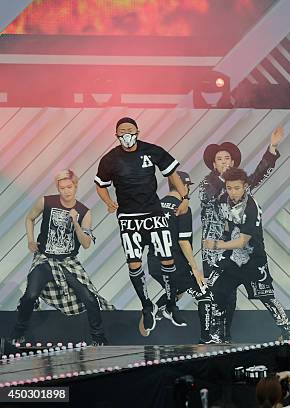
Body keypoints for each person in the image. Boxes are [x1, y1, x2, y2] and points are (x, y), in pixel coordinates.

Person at [95, 117, 190, 334]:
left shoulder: (152, 151)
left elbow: (172, 173)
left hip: (154, 214)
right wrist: (109, 201)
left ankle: (170, 305)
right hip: (129, 218)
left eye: (129, 129)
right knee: (135, 264)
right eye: (121, 131)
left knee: (167, 259)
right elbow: (100, 185)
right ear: (116, 135)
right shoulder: (110, 159)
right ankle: (146, 306)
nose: (126, 133)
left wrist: (185, 197)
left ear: (137, 131)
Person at [199, 127, 283, 342]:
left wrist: (271, 149)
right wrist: (231, 182)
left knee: (230, 293)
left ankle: (224, 336)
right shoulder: (208, 183)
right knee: (212, 291)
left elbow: (257, 175)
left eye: (228, 158)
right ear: (213, 164)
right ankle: (207, 336)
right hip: (214, 245)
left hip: (236, 246)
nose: (225, 161)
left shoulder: (239, 186)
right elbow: (215, 199)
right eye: (220, 159)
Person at [11, 170, 113, 345]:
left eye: (69, 187)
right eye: (62, 187)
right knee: (30, 295)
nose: (66, 191)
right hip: (45, 259)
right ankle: (19, 332)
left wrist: (75, 222)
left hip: (68, 262)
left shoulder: (84, 212)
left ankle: (99, 339)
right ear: (58, 188)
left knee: (89, 298)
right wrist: (30, 240)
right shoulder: (46, 201)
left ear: (76, 186)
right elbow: (30, 218)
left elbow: (86, 243)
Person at [203, 168, 290, 340]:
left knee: (266, 296)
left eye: (237, 188)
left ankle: (287, 331)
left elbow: (242, 241)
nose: (233, 192)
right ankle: (220, 336)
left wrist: (216, 245)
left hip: (253, 259)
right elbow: (224, 225)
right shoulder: (223, 200)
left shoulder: (252, 207)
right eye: (229, 188)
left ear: (245, 186)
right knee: (216, 292)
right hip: (231, 259)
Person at [140, 171, 207, 337]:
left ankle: (156, 309)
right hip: (174, 263)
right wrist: (195, 268)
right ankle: (208, 338)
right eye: (187, 186)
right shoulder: (182, 207)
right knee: (204, 294)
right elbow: (183, 242)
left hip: (154, 263)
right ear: (183, 186)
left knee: (177, 290)